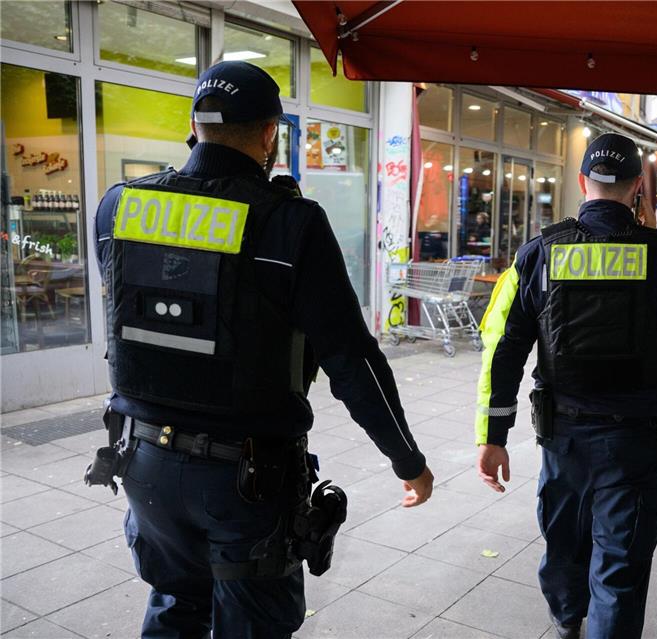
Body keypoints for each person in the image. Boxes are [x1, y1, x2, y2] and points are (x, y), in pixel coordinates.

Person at [92, 61, 433, 638]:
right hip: (244, 481)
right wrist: (407, 460)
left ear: (194, 126)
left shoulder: (118, 206)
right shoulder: (289, 224)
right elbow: (350, 359)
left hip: (142, 464)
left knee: (176, 606)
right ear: (271, 133)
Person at [473, 133, 657, 639]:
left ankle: (566, 620)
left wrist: (493, 435)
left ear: (582, 182)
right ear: (636, 188)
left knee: (564, 544)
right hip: (635, 441)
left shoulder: (536, 254)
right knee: (620, 564)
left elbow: (501, 347)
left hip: (564, 437)